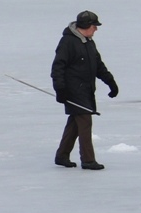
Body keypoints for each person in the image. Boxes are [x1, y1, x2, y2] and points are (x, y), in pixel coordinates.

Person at [50, 11, 118, 170]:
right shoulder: (67, 42)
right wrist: (60, 89)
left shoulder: (89, 42)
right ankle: (88, 160)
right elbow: (57, 68)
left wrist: (111, 82)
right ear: (86, 26)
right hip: (73, 91)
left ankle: (62, 156)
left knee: (75, 123)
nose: (96, 30)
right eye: (94, 26)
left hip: (87, 90)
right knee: (85, 121)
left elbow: (98, 66)